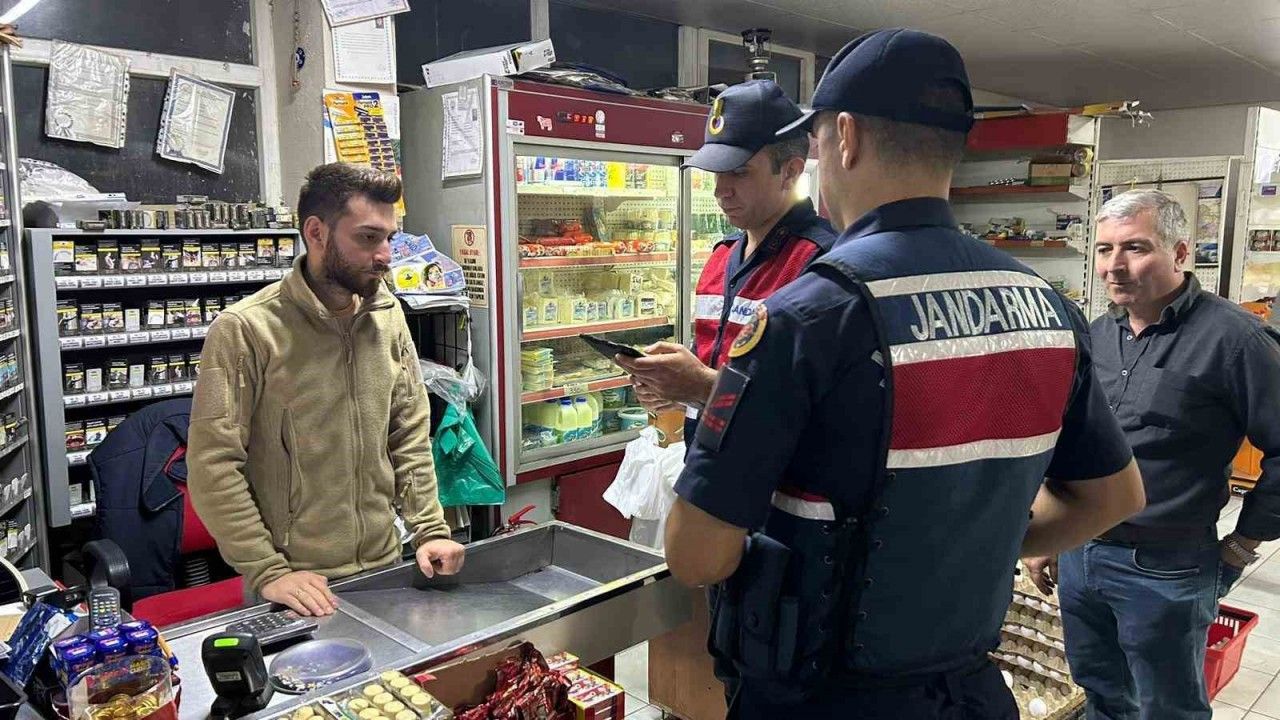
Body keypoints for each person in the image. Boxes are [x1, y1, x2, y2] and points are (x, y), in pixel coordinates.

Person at [661, 28, 1146, 719]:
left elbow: (696, 558)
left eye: (817, 142)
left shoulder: (806, 318)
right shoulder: (1047, 308)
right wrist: (979, 541)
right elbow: (1114, 496)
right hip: (968, 692)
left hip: (820, 695)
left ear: (846, 137)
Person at [1024, 189, 1280, 720]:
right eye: (1103, 249)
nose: (1113, 266)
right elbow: (1069, 442)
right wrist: (1052, 533)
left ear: (1180, 253)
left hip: (1166, 568)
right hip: (1081, 557)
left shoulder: (1235, 340)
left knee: (1168, 708)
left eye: (1135, 248)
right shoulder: (1095, 336)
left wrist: (1241, 545)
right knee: (1100, 695)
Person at [189, 163, 465, 618]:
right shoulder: (246, 329)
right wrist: (267, 571)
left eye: (390, 238)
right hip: (294, 583)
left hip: (384, 564)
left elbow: (408, 435)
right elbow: (213, 465)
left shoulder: (387, 315)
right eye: (368, 238)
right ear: (316, 233)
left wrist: (430, 529)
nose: (385, 255)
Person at [615, 79, 835, 439]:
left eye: (740, 172)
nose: (720, 191)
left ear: (791, 172)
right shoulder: (721, 257)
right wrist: (675, 392)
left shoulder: (820, 265)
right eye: (718, 172)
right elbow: (714, 367)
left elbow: (821, 406)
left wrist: (702, 386)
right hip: (708, 461)